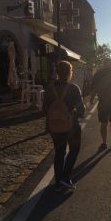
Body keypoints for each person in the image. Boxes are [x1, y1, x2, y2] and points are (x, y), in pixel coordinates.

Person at [43, 60, 85, 191]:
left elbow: (44, 109)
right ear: (70, 73)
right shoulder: (74, 88)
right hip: (71, 126)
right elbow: (81, 110)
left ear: (57, 73)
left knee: (59, 153)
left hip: (55, 126)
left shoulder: (49, 89)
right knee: (74, 150)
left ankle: (58, 182)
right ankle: (66, 177)